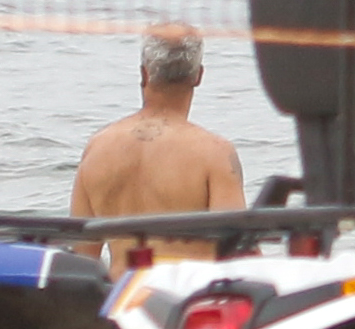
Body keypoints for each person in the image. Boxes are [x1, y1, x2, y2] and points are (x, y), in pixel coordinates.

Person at [69, 24, 244, 268]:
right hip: (184, 301)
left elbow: (83, 257)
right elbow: (234, 254)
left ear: (144, 74)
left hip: (123, 300)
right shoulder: (215, 154)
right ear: (198, 76)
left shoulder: (97, 148)